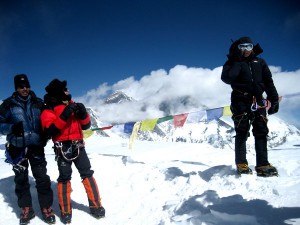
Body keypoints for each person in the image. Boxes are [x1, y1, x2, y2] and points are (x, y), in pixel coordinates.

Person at [40, 79, 105, 224]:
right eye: (65, 89)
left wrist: (83, 114)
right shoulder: (48, 109)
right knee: (64, 177)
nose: (68, 91)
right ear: (58, 92)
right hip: (62, 147)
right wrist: (64, 116)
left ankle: (96, 206)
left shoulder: (71, 104)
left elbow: (86, 126)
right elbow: (49, 130)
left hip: (78, 145)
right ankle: (65, 211)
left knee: (87, 173)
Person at [0, 74, 55, 224]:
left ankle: (46, 207)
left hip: (36, 146)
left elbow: (47, 120)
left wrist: (45, 135)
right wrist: (11, 127)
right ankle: (26, 208)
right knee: (21, 179)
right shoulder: (7, 105)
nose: (24, 89)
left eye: (26, 86)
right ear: (16, 88)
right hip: (17, 149)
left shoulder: (38, 103)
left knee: (42, 178)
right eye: (21, 86)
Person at [221, 37, 279, 177]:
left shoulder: (260, 62)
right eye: (242, 47)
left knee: (261, 131)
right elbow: (227, 78)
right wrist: (237, 61)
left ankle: (263, 164)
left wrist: (274, 99)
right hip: (240, 100)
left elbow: (268, 82)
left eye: (249, 46)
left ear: (253, 47)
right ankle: (241, 163)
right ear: (237, 48)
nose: (246, 50)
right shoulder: (232, 62)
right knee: (242, 131)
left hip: (258, 100)